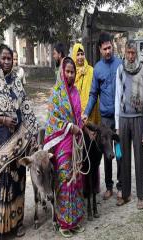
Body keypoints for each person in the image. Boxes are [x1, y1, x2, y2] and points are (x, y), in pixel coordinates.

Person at [0, 44, 38, 238]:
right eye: (4, 58)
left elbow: (26, 109)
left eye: (10, 58)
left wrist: (32, 135)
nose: (7, 62)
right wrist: (2, 119)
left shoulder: (18, 82)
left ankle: (17, 223)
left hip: (18, 141)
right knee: (1, 182)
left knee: (17, 180)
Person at [43, 57, 85, 238]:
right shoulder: (56, 93)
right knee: (64, 181)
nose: (70, 74)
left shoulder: (75, 92)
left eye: (72, 71)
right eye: (67, 71)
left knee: (75, 182)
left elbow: (77, 116)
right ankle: (63, 223)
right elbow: (52, 121)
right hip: (62, 145)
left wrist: (79, 127)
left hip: (75, 144)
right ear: (62, 72)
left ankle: (73, 221)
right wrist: (69, 127)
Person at [83, 32, 123, 201]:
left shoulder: (120, 65)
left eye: (110, 47)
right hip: (105, 120)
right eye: (105, 48)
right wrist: (86, 112)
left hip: (120, 118)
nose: (108, 51)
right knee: (107, 152)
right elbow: (93, 94)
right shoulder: (97, 69)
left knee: (119, 152)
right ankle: (109, 186)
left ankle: (121, 186)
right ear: (100, 49)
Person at [115, 40, 143, 209]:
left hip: (138, 118)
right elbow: (117, 95)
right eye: (128, 52)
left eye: (133, 53)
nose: (130, 55)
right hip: (123, 118)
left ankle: (140, 196)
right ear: (124, 52)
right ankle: (126, 193)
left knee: (139, 157)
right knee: (124, 157)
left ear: (137, 53)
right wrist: (117, 124)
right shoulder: (120, 69)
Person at [71, 42, 102, 200]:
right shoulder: (71, 73)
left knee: (93, 154)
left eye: (82, 54)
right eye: (78, 54)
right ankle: (82, 187)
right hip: (77, 122)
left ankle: (94, 186)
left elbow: (94, 94)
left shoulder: (92, 71)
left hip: (91, 119)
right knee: (80, 156)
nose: (81, 57)